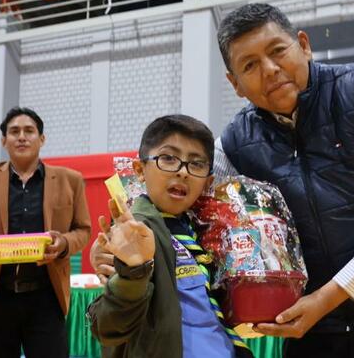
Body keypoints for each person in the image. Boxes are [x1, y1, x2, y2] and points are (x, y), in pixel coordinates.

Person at [92, 3, 354, 357]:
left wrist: (327, 297)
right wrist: (117, 249)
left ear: (303, 45)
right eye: (249, 65)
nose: (269, 70)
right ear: (234, 83)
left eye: (278, 51)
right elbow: (178, 200)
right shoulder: (234, 143)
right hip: (315, 330)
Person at [88, 115, 253, 358]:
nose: (183, 172)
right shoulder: (133, 233)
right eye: (168, 158)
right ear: (140, 170)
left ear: (208, 181)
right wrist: (134, 271)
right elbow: (108, 326)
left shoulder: (203, 229)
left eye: (196, 164)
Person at [0, 107, 91, 358]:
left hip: (46, 299)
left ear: (41, 139)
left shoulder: (70, 180)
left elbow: (83, 230)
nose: (21, 137)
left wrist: (63, 243)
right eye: (14, 131)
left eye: (29, 131)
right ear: (3, 140)